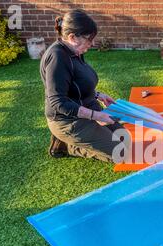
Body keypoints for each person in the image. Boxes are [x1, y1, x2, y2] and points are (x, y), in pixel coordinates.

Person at [40, 9, 130, 162]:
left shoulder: (75, 50)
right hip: (68, 119)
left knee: (124, 138)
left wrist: (97, 95)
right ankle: (66, 145)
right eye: (89, 39)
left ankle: (79, 137)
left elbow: (77, 82)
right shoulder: (57, 58)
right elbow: (58, 102)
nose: (92, 43)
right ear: (72, 37)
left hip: (87, 107)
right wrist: (96, 115)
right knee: (120, 153)